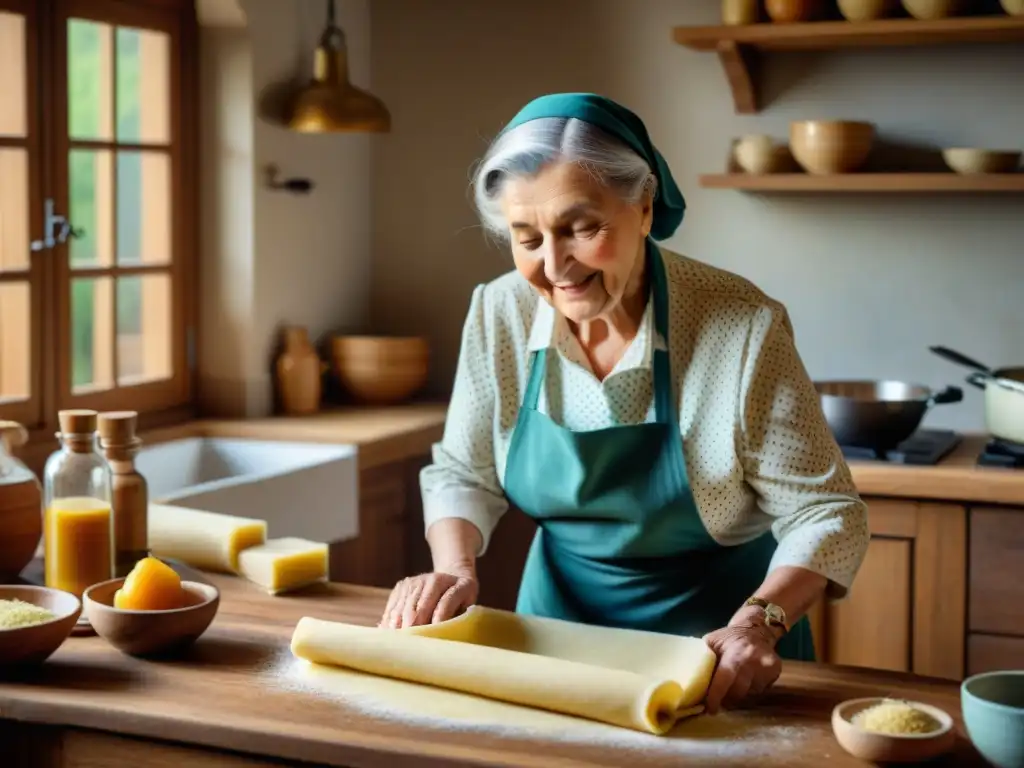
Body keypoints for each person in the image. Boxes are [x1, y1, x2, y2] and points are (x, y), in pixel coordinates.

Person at [381, 93, 869, 714]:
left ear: (643, 206)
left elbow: (825, 513)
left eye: (582, 229)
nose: (554, 266)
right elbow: (463, 471)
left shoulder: (741, 325)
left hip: (720, 655)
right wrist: (454, 569)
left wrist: (759, 624)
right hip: (555, 639)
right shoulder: (499, 310)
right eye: (525, 238)